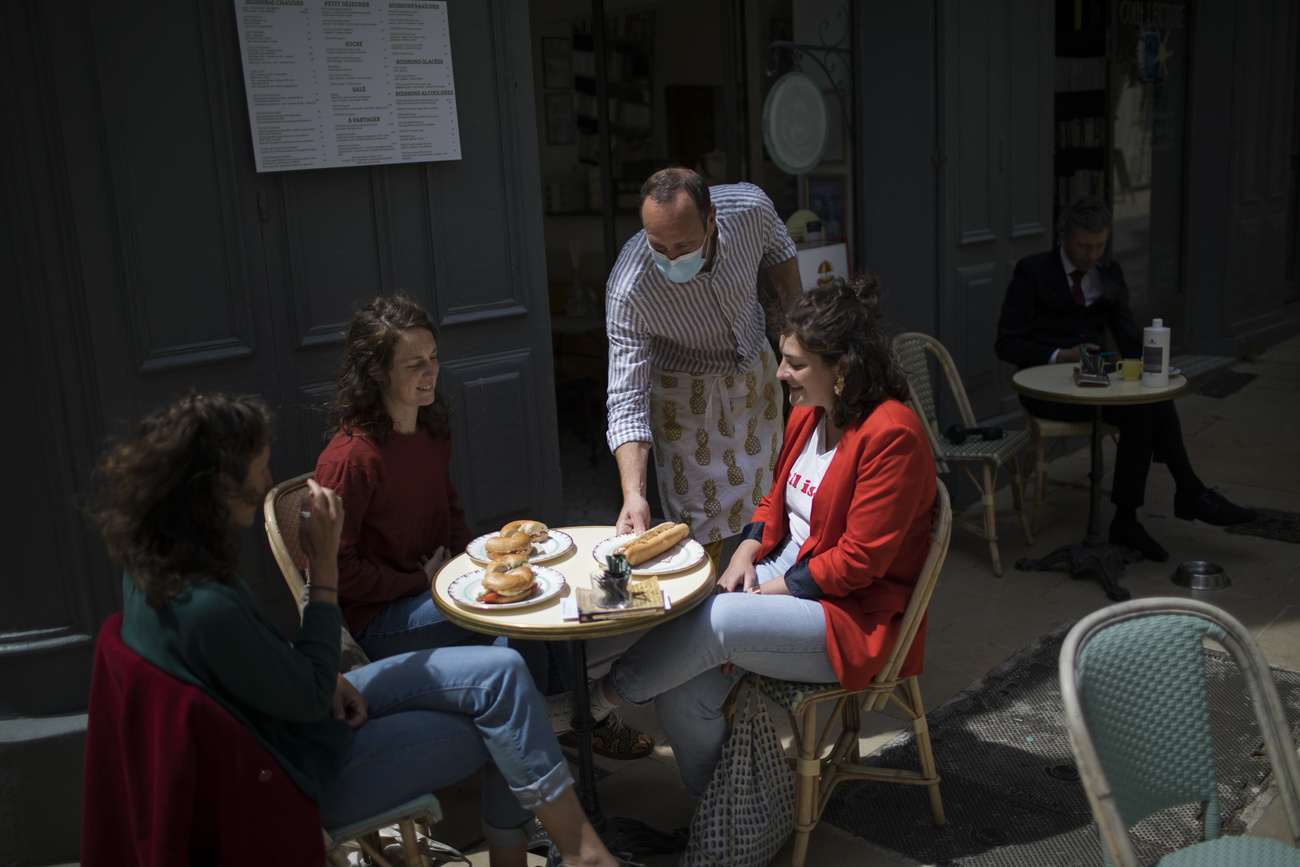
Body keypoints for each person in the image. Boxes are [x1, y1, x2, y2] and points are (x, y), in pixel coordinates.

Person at [94, 392, 626, 867]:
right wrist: (322, 569)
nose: (266, 480)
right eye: (258, 468)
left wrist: (314, 678)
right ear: (216, 486)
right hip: (299, 771)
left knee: (506, 671)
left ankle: (579, 853)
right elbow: (302, 693)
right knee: (507, 728)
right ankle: (582, 854)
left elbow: (269, 675)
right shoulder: (205, 605)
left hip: (304, 709)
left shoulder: (152, 572)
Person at [556, 276, 937, 796]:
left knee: (719, 617)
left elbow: (856, 564)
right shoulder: (809, 412)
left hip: (850, 614)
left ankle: (591, 704)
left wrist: (761, 598)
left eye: (796, 363)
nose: (780, 373)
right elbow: (773, 495)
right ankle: (727, 816)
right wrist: (748, 552)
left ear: (842, 366)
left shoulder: (893, 434)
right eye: (782, 358)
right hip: (785, 575)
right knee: (680, 692)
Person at [315, 292, 652, 758]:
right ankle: (558, 737)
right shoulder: (352, 457)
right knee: (515, 615)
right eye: (414, 364)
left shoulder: (429, 430)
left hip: (432, 589)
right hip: (379, 619)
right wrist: (424, 580)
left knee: (530, 596)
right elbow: (333, 570)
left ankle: (565, 723)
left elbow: (450, 512)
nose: (430, 371)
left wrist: (464, 568)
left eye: (433, 357)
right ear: (376, 372)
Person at [995, 200, 1256, 562]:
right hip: (1049, 390)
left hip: (1098, 384)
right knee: (1146, 412)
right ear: (1064, 238)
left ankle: (1127, 518)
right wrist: (1062, 354)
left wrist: (1154, 370)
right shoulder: (1033, 272)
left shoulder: (1109, 273)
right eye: (1085, 246)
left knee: (1146, 406)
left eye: (1100, 245)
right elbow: (1007, 343)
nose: (1093, 254)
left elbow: (1129, 335)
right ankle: (1187, 494)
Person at [605, 167, 803, 566]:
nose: (672, 257)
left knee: (773, 506)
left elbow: (779, 248)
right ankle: (708, 617)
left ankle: (768, 599)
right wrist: (634, 494)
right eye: (658, 246)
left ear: (711, 219)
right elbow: (627, 398)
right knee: (695, 534)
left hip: (754, 381)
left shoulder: (749, 209)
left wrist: (799, 334)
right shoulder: (630, 287)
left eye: (684, 244)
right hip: (685, 402)